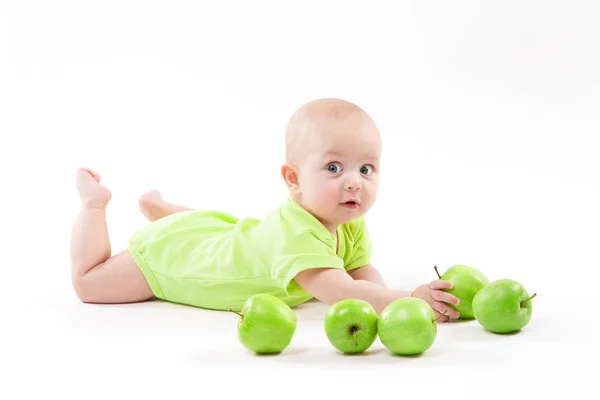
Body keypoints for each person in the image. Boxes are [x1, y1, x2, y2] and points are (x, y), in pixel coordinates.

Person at [70, 98, 460, 321]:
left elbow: (359, 272)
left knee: (213, 234)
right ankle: (95, 204)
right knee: (90, 283)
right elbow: (341, 290)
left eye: (366, 168)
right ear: (293, 180)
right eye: (333, 168)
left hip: (223, 235)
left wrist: (383, 296)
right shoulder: (297, 234)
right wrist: (410, 298)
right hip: (174, 259)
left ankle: (165, 211)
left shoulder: (348, 218)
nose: (354, 181)